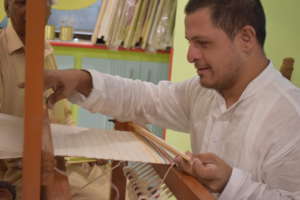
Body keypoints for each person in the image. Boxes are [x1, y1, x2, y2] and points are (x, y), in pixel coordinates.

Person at [43, 0, 300, 199]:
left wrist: (230, 183)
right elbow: (146, 98)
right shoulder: (204, 92)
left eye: (203, 43)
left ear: (246, 38)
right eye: (189, 42)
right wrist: (81, 80)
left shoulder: (290, 118)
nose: (190, 55)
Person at [0, 0, 75, 199]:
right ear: (7, 8)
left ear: (50, 10)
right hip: (11, 176)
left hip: (49, 164)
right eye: (21, 3)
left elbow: (60, 112)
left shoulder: (45, 49)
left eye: (41, 3)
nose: (31, 11)